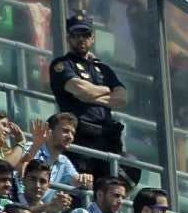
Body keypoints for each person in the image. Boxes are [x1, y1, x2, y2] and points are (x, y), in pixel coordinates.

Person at [47, 16, 128, 181]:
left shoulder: (103, 69)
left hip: (106, 140)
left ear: (93, 38)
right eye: (76, 35)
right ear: (68, 38)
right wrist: (106, 90)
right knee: (81, 189)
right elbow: (80, 90)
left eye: (85, 34)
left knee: (109, 186)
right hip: (79, 139)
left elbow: (122, 98)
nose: (81, 39)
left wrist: (91, 95)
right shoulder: (62, 64)